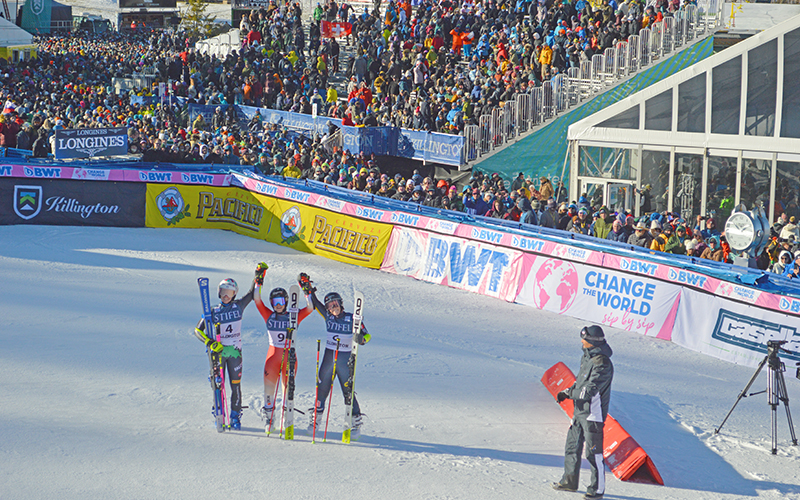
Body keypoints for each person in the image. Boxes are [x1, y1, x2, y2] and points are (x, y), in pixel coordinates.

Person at [299, 273, 370, 436]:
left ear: (341, 304)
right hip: (329, 358)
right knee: (322, 389)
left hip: (345, 360)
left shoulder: (352, 318)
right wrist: (308, 289)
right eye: (330, 305)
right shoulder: (328, 317)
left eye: (335, 303)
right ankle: (316, 420)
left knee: (348, 392)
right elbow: (315, 303)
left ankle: (355, 422)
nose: (333, 307)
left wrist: (361, 339)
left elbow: (367, 335)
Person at [553, 325, 614, 500]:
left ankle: (597, 490)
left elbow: (588, 391)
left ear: (593, 342)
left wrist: (571, 394)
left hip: (592, 415)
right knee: (572, 447)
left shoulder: (602, 364)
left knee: (593, 453)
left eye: (585, 339)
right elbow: (580, 384)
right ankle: (569, 482)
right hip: (579, 411)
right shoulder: (586, 358)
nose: (582, 342)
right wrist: (566, 391)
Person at [193, 273, 257, 430]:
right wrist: (210, 342)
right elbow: (197, 330)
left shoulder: (239, 306)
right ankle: (219, 413)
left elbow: (252, 293)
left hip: (235, 353)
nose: (225, 296)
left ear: (234, 294)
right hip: (219, 353)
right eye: (222, 292)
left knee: (235, 386)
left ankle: (235, 416)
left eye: (229, 293)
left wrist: (258, 276)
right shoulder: (214, 311)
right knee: (218, 385)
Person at [253, 265, 314, 425]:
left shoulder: (294, 316)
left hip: (289, 356)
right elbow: (257, 299)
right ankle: (269, 418)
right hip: (272, 357)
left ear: (286, 301)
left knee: (288, 389)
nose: (277, 305)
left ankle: (287, 417)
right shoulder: (269, 315)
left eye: (280, 301)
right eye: (274, 302)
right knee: (269, 390)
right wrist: (258, 281)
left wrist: (306, 289)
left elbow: (310, 308)